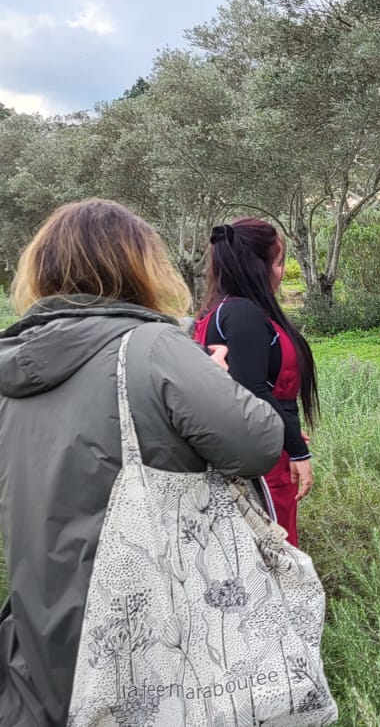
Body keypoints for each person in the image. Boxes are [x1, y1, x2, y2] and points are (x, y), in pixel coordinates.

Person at [0, 200, 283, 726]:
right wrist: (211, 377)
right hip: (146, 615)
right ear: (138, 266)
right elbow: (258, 444)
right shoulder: (152, 347)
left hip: (40, 616)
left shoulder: (14, 360)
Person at [193, 217, 322, 546]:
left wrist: (289, 430)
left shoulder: (216, 311)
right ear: (257, 266)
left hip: (252, 446)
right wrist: (297, 453)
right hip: (262, 460)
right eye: (279, 262)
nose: (281, 272)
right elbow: (254, 391)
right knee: (276, 547)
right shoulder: (243, 313)